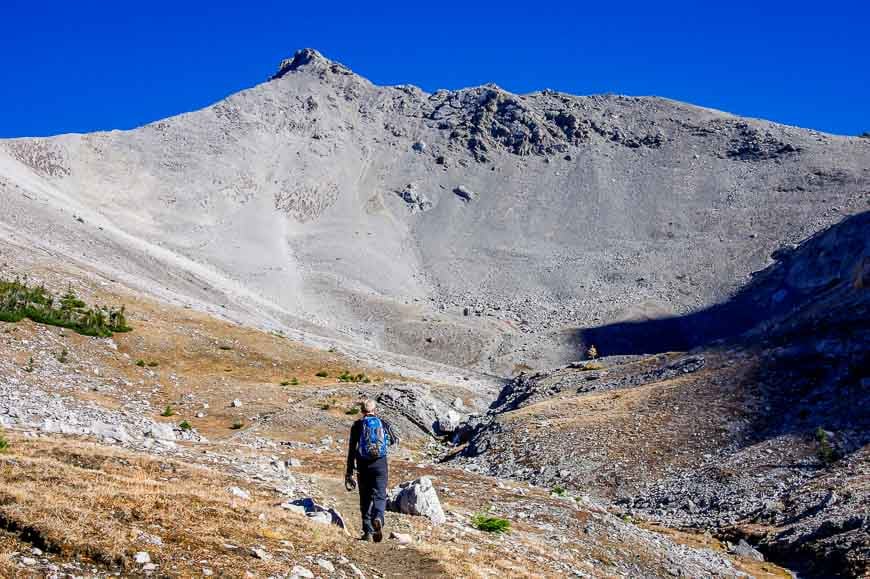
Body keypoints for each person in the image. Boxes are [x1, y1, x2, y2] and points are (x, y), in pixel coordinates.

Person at [345, 399, 399, 542]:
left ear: (362, 411)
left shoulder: (357, 425)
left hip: (363, 465)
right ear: (375, 410)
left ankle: (368, 532)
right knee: (380, 495)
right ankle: (378, 517)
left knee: (365, 498)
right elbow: (394, 440)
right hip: (380, 464)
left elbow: (352, 450)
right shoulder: (383, 423)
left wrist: (349, 471)